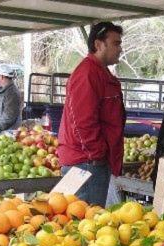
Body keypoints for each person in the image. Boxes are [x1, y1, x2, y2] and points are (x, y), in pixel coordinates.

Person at [57, 21, 125, 206]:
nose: (120, 49)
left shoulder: (100, 73)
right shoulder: (87, 74)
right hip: (85, 164)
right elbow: (83, 122)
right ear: (98, 44)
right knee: (86, 225)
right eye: (116, 43)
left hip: (89, 162)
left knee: (88, 223)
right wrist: (97, 155)